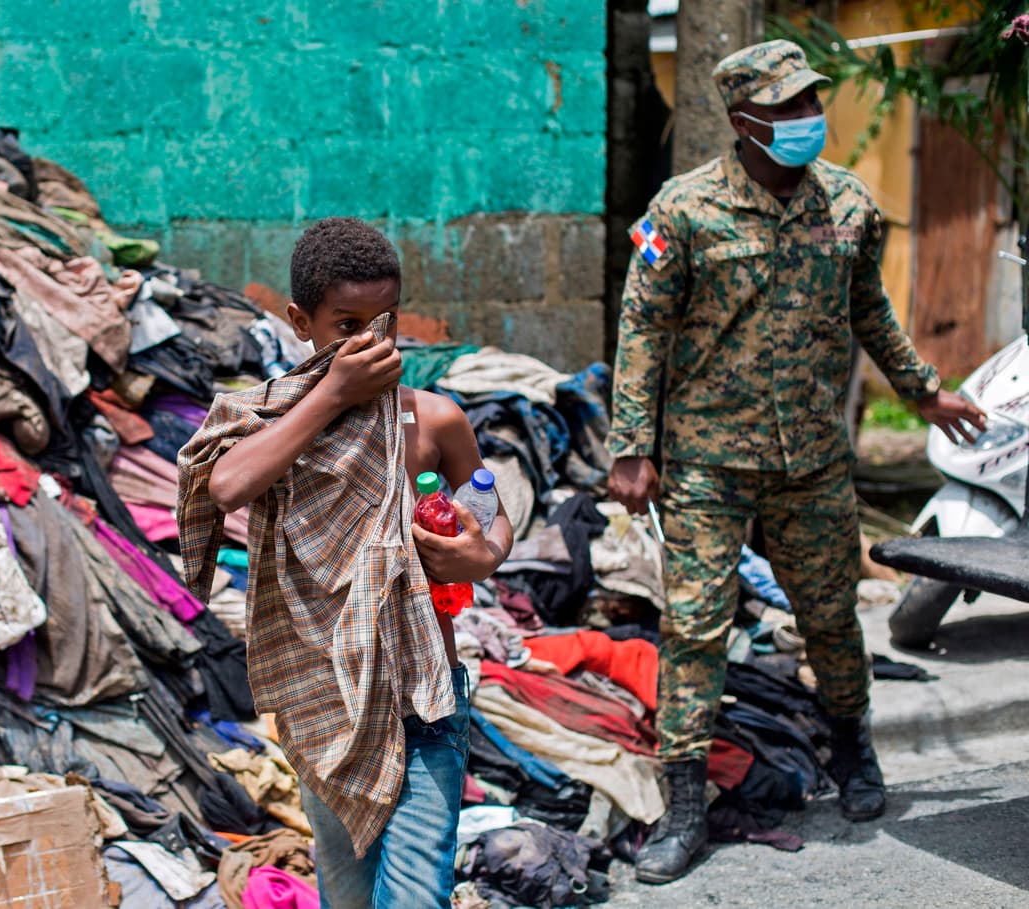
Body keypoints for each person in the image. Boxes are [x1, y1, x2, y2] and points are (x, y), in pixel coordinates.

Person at [606, 39, 987, 885]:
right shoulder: (680, 209)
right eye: (787, 108)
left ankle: (853, 748)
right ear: (743, 119)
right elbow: (642, 327)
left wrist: (923, 391)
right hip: (707, 458)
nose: (807, 117)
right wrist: (631, 445)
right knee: (694, 626)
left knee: (831, 616)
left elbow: (869, 309)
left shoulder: (850, 203)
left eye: (810, 101)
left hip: (813, 457)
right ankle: (684, 803)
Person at [177, 217, 513, 908]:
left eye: (384, 322)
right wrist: (332, 393)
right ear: (301, 322)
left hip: (424, 699)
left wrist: (480, 553)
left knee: (416, 895)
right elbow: (228, 485)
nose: (370, 341)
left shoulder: (432, 420)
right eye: (348, 326)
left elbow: (492, 512)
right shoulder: (271, 418)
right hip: (323, 704)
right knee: (348, 892)